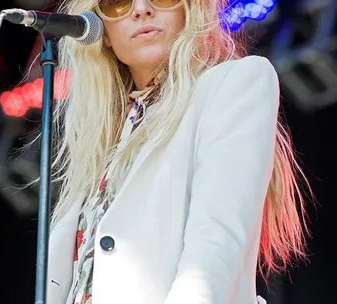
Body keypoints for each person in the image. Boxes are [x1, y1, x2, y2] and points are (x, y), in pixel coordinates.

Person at [45, 0, 311, 303]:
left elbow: (214, 248)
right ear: (101, 31)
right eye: (118, 3)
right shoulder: (102, 137)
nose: (142, 9)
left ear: (189, 8)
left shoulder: (232, 83)